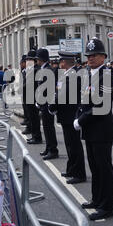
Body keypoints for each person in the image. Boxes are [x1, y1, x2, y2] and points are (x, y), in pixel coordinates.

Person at [74, 38, 113, 221]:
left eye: (94, 55)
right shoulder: (88, 74)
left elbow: (102, 104)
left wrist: (81, 120)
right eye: (89, 55)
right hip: (91, 129)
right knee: (94, 167)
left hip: (102, 129)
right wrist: (78, 116)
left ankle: (107, 205)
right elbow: (83, 100)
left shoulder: (107, 74)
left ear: (103, 57)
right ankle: (97, 199)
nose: (90, 58)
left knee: (104, 168)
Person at [49, 51, 86, 184]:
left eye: (61, 61)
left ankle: (79, 173)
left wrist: (53, 107)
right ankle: (71, 169)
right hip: (65, 115)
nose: (59, 63)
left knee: (74, 145)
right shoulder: (67, 74)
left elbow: (64, 95)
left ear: (65, 62)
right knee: (69, 144)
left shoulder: (72, 75)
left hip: (70, 114)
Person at [35, 48, 59, 160]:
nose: (36, 61)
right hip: (43, 103)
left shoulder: (48, 70)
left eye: (37, 58)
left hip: (48, 103)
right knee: (45, 127)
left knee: (49, 127)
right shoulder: (43, 69)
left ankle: (53, 150)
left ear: (41, 59)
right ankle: (48, 147)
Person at [24, 50, 42, 144]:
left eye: (29, 59)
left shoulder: (36, 69)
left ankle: (37, 137)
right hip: (29, 97)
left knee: (35, 119)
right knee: (32, 118)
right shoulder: (31, 69)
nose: (27, 61)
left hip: (33, 97)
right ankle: (34, 136)